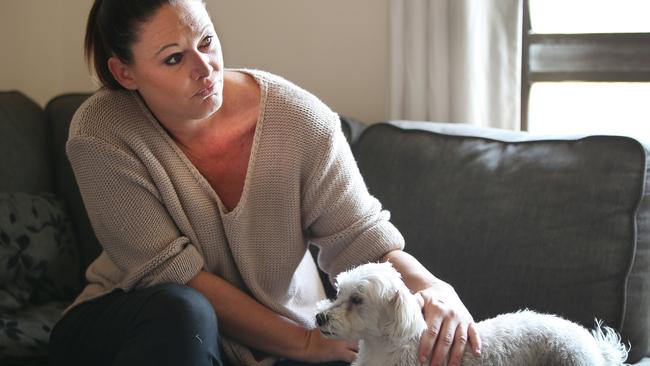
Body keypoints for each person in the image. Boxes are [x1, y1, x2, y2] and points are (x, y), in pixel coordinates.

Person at [49, 0, 482, 365]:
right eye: (174, 58)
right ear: (125, 73)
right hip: (139, 327)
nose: (206, 70)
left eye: (207, 42)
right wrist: (306, 343)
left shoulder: (299, 121)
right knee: (184, 312)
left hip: (280, 337)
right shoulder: (101, 133)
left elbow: (358, 238)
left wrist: (432, 287)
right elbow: (173, 275)